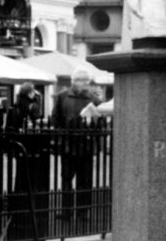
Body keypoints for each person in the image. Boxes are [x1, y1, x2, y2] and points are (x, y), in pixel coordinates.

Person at [51, 68, 102, 221]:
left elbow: (100, 123)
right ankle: (69, 211)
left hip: (84, 145)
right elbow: (55, 119)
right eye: (82, 80)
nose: (85, 84)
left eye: (86, 81)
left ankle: (81, 211)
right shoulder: (62, 97)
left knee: (84, 180)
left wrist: (92, 126)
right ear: (74, 81)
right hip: (70, 144)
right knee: (68, 179)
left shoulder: (94, 99)